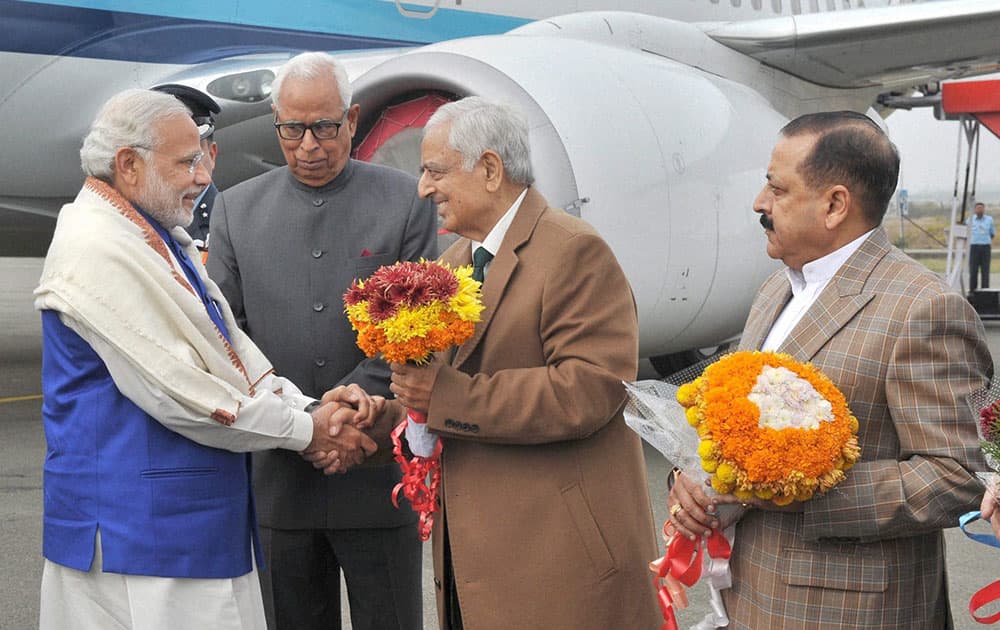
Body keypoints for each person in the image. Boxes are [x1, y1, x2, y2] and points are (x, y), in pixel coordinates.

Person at [34, 89, 381, 630]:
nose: (203, 177)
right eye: (187, 162)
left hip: (187, 528)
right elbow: (184, 394)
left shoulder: (154, 235)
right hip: (140, 541)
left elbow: (230, 355)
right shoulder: (96, 247)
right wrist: (308, 431)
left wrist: (312, 405)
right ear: (128, 164)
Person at [668, 111, 992, 628]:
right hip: (748, 599)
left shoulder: (924, 308)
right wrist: (693, 479)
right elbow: (732, 426)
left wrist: (787, 489)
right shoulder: (775, 289)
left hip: (845, 610)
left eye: (777, 188)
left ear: (835, 204)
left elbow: (959, 475)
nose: (759, 202)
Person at [386, 96, 661, 630]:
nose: (422, 188)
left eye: (434, 171)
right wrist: (382, 415)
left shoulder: (573, 251)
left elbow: (589, 390)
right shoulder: (455, 262)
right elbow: (435, 395)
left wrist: (441, 397)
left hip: (557, 565)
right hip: (475, 564)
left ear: (490, 169)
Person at [207, 51, 437, 630]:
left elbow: (420, 330)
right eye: (293, 129)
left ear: (353, 120)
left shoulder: (406, 201)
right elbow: (225, 338)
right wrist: (309, 418)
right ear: (276, 123)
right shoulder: (237, 210)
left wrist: (348, 405)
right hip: (281, 480)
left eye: (326, 127)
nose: (309, 145)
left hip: (376, 470)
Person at [151, 83, 220, 252]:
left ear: (212, 155)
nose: (186, 172)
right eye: (170, 156)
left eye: (192, 158)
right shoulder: (128, 224)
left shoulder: (236, 224)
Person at [968, 201, 995, 292]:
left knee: (985, 270)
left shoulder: (989, 219)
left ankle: (985, 292)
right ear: (975, 209)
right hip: (974, 247)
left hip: (985, 247)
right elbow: (966, 233)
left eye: (981, 208)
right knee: (973, 270)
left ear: (984, 209)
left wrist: (983, 240)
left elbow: (992, 233)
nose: (980, 209)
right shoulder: (970, 220)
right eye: (978, 208)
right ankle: (972, 291)